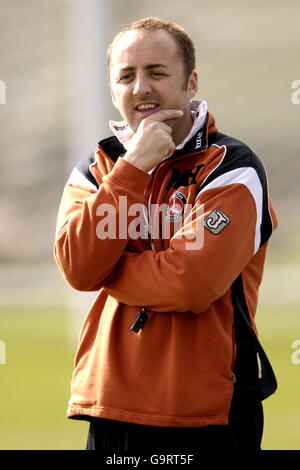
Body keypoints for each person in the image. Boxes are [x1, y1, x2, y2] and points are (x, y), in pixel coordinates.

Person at [54, 17, 278, 453]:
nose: (141, 88)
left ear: (190, 82)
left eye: (156, 72)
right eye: (126, 76)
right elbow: (77, 266)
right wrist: (133, 169)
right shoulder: (98, 167)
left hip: (210, 412)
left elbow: (189, 283)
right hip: (112, 406)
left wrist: (109, 269)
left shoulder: (233, 168)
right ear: (112, 89)